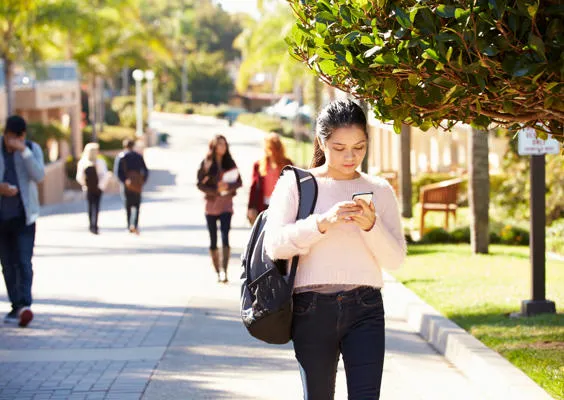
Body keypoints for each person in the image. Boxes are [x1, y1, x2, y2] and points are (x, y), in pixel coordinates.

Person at [264, 100, 406, 399]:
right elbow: (275, 245)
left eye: (359, 147)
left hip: (366, 307)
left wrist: (371, 226)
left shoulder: (379, 189)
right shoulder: (297, 183)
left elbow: (395, 260)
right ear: (321, 142)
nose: (350, 156)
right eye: (340, 147)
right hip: (311, 308)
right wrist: (322, 223)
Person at [0, 115, 45, 327]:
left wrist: (24, 152)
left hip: (25, 217)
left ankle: (25, 305)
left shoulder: (31, 149)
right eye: (10, 137)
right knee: (7, 265)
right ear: (5, 134)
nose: (13, 141)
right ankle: (16, 306)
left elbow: (38, 175)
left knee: (24, 262)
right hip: (2, 218)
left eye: (18, 137)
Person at [197, 134, 242, 283]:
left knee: (225, 237)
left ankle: (224, 271)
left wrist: (228, 186)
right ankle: (217, 270)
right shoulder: (207, 162)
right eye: (220, 144)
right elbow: (199, 183)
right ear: (214, 146)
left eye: (224, 144)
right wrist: (215, 189)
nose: (223, 147)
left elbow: (239, 181)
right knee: (213, 240)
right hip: (211, 205)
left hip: (226, 205)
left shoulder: (230, 162)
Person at [247, 132, 293, 225]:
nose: (271, 151)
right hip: (262, 205)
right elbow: (254, 187)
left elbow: (293, 186)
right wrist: (250, 207)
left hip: (282, 205)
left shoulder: (287, 164)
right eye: (269, 147)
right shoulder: (259, 165)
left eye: (274, 147)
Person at [114, 139, 149, 234]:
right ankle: (135, 225)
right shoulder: (138, 156)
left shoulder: (121, 157)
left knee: (128, 205)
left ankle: (129, 225)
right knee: (137, 205)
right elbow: (145, 170)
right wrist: (142, 181)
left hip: (127, 184)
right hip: (137, 184)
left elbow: (117, 172)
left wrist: (124, 181)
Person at [76, 143, 109, 234]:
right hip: (97, 188)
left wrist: (85, 185)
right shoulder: (100, 162)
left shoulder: (83, 162)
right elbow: (105, 175)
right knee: (96, 207)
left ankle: (91, 225)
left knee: (90, 207)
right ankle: (95, 225)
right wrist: (100, 186)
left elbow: (79, 177)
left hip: (88, 189)